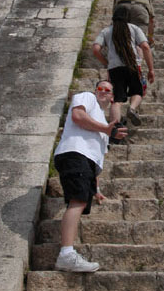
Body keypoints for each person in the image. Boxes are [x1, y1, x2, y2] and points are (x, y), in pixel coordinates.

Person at [54, 79, 128, 272]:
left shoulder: (103, 124)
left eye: (108, 90)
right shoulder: (87, 98)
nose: (103, 92)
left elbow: (95, 159)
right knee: (77, 201)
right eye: (100, 88)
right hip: (74, 153)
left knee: (81, 202)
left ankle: (67, 253)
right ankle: (66, 254)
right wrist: (106, 129)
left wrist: (95, 188)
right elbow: (77, 115)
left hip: (84, 160)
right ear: (95, 91)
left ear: (112, 98)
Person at [93, 7, 155, 125]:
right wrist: (151, 69)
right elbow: (146, 47)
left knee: (117, 100)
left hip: (114, 68)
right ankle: (132, 108)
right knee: (137, 91)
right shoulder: (134, 28)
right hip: (132, 66)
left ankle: (115, 129)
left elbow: (96, 49)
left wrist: (106, 62)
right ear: (128, 17)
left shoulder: (106, 31)